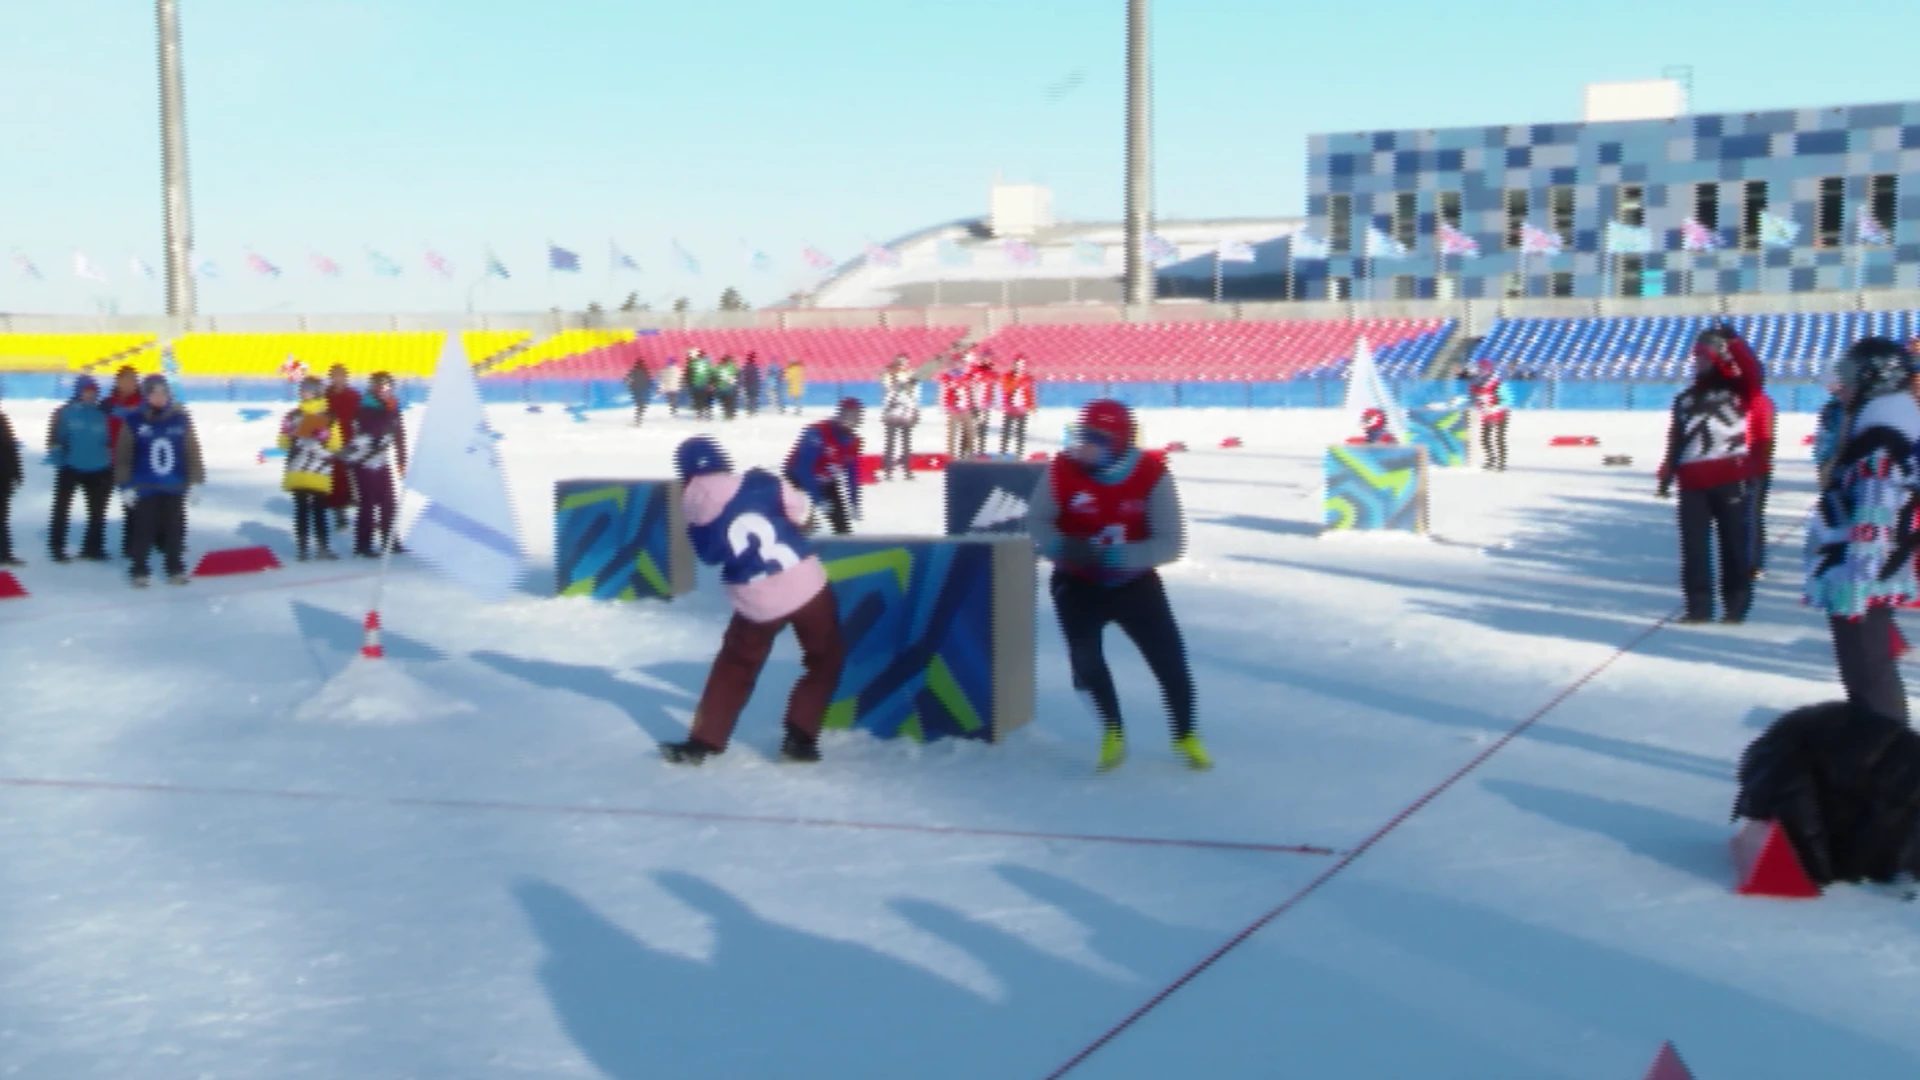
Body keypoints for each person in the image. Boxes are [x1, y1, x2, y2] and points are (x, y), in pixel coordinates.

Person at [1026, 399, 1209, 773]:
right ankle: (1112, 732)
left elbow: (1170, 544)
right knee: (1085, 659)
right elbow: (1038, 522)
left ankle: (1185, 735)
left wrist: (1110, 557)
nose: (1085, 446)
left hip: (1134, 583)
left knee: (1169, 662)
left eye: (1096, 438)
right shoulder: (1061, 470)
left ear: (1120, 441)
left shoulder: (1152, 474)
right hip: (1076, 582)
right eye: (1082, 437)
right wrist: (1062, 547)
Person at [659, 436, 847, 766]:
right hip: (803, 584)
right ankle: (799, 737)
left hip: (754, 599)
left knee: (734, 666)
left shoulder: (692, 510)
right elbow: (801, 512)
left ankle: (703, 741)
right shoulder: (762, 483)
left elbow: (710, 556)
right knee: (824, 658)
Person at [1805, 337, 1920, 723]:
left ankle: (1890, 766)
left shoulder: (1880, 439)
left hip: (1863, 579)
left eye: (1853, 377)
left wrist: (1858, 585)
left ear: (1876, 380)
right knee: (1870, 678)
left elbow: (1876, 516)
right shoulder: (1883, 425)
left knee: (1870, 683)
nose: (1843, 387)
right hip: (1866, 574)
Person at [1657, 326, 1761, 624]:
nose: (1698, 362)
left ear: (1718, 358)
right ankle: (1698, 608)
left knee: (1733, 545)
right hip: (1692, 482)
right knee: (1694, 550)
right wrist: (1666, 473)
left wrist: (1735, 343)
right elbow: (1676, 438)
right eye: (1696, 358)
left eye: (1704, 357)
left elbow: (1752, 370)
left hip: (1730, 477)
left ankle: (1735, 606)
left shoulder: (1738, 390)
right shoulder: (1684, 399)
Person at [114, 375, 204, 587]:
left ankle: (174, 567)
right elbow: (123, 455)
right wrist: (125, 485)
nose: (159, 398)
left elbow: (192, 451)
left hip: (174, 485)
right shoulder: (135, 420)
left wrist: (195, 481)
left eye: (163, 393)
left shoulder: (181, 419)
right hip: (145, 485)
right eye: (154, 393)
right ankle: (139, 569)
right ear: (146, 395)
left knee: (174, 529)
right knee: (143, 529)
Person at [47, 375, 114, 562]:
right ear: (78, 391)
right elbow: (55, 436)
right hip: (71, 466)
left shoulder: (102, 414)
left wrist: (109, 460)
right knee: (61, 509)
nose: (90, 395)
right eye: (86, 391)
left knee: (97, 511)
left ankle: (93, 547)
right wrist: (57, 453)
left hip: (99, 467)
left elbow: (110, 439)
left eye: (94, 392)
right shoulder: (65, 412)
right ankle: (57, 547)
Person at [280, 376, 345, 561]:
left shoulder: (294, 415)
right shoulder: (326, 415)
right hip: (310, 467)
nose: (303, 391)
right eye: (302, 388)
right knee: (309, 508)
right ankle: (309, 548)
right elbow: (283, 443)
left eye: (307, 388)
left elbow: (335, 444)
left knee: (313, 508)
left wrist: (322, 436)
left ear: (317, 391)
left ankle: (311, 548)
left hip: (309, 467)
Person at [344, 371, 407, 557]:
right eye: (380, 387)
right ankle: (363, 544)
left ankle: (390, 540)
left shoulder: (392, 407)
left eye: (388, 387)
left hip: (380, 460)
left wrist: (401, 460)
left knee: (388, 502)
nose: (384, 390)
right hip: (362, 460)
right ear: (373, 388)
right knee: (368, 503)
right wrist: (388, 410)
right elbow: (375, 428)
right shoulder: (365, 407)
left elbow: (399, 434)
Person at [784, 398, 864, 535]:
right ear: (839, 415)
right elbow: (803, 469)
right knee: (801, 524)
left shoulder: (854, 442)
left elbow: (852, 474)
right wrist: (818, 499)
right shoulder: (816, 433)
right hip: (797, 478)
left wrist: (854, 501)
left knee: (842, 528)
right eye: (847, 415)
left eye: (854, 416)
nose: (850, 420)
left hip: (825, 480)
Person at [103, 365, 144, 558]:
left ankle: (135, 545)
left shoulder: (144, 403)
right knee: (101, 505)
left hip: (137, 461)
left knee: (135, 505)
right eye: (124, 381)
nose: (128, 385)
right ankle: (95, 546)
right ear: (117, 383)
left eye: (132, 381)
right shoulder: (108, 404)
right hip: (110, 460)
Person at [324, 364, 361, 533]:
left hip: (351, 439)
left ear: (346, 378)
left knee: (356, 476)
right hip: (331, 442)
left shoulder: (354, 396)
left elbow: (362, 417)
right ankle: (340, 514)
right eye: (335, 376)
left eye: (341, 376)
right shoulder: (324, 397)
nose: (338, 379)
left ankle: (363, 512)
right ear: (331, 378)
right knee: (336, 477)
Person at [880, 355, 921, 481]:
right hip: (893, 411)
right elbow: (888, 393)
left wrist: (914, 410)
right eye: (901, 362)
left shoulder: (912, 375)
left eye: (906, 362)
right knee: (890, 442)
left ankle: (907, 470)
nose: (904, 365)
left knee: (906, 443)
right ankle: (888, 470)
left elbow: (915, 395)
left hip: (906, 411)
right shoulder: (888, 375)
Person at [1468, 360, 1512, 470]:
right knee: (1485, 438)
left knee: (1499, 438)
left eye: (1484, 368)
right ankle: (1491, 460)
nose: (1481, 371)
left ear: (1489, 369)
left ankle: (1501, 463)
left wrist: (1495, 408)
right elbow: (1472, 399)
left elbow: (1506, 399)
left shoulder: (1496, 382)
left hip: (1500, 413)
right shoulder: (1475, 384)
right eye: (1480, 368)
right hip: (1486, 414)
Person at [1000, 356, 1036, 458]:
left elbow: (1029, 392)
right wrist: (1017, 379)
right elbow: (1006, 388)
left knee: (1020, 432)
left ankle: (1019, 454)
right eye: (1018, 364)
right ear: (1014, 365)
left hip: (1022, 409)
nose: (1020, 366)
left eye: (1022, 364)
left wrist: (1032, 406)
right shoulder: (1007, 376)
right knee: (1007, 431)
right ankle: (1003, 453)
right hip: (1010, 408)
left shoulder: (1028, 378)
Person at [939, 353, 974, 459]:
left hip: (965, 407)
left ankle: (970, 454)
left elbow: (970, 388)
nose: (957, 364)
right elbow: (943, 391)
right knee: (952, 433)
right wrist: (944, 406)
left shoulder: (967, 375)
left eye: (959, 362)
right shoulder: (946, 376)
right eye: (954, 362)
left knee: (969, 431)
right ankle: (951, 456)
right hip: (952, 407)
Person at [0, 386, 20, 567]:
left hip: (2, 478)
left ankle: (5, 554)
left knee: (2, 519)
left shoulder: (2, 420)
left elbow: (11, 449)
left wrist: (16, 472)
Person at [624, 358, 653, 427]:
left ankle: (638, 420)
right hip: (643, 389)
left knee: (639, 404)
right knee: (641, 404)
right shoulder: (646, 372)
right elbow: (649, 382)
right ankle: (639, 419)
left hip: (635, 389)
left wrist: (630, 385)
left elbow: (625, 380)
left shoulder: (633, 371)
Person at [714, 354, 741, 421]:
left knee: (725, 403)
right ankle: (730, 416)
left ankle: (728, 416)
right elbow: (738, 375)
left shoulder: (718, 367)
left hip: (722, 388)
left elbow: (714, 377)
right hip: (729, 388)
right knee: (730, 402)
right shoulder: (733, 366)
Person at [741, 352, 763, 416]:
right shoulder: (755, 367)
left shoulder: (745, 367)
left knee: (749, 398)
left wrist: (743, 385)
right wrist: (758, 385)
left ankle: (750, 412)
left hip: (748, 385)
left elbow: (743, 377)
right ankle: (753, 412)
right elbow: (758, 377)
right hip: (754, 385)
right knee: (754, 398)